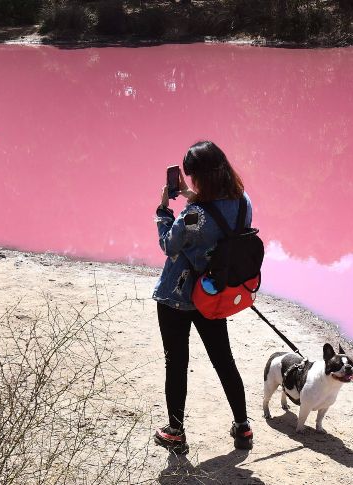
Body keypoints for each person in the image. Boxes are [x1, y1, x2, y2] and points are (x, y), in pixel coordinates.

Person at [152, 141, 254, 454]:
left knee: (176, 363)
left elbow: (169, 245)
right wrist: (186, 194)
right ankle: (242, 427)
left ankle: (175, 432)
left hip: (178, 297)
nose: (190, 181)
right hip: (215, 294)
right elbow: (215, 218)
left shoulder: (193, 214)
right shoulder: (242, 202)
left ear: (201, 177)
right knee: (224, 360)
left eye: (192, 177)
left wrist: (163, 211)